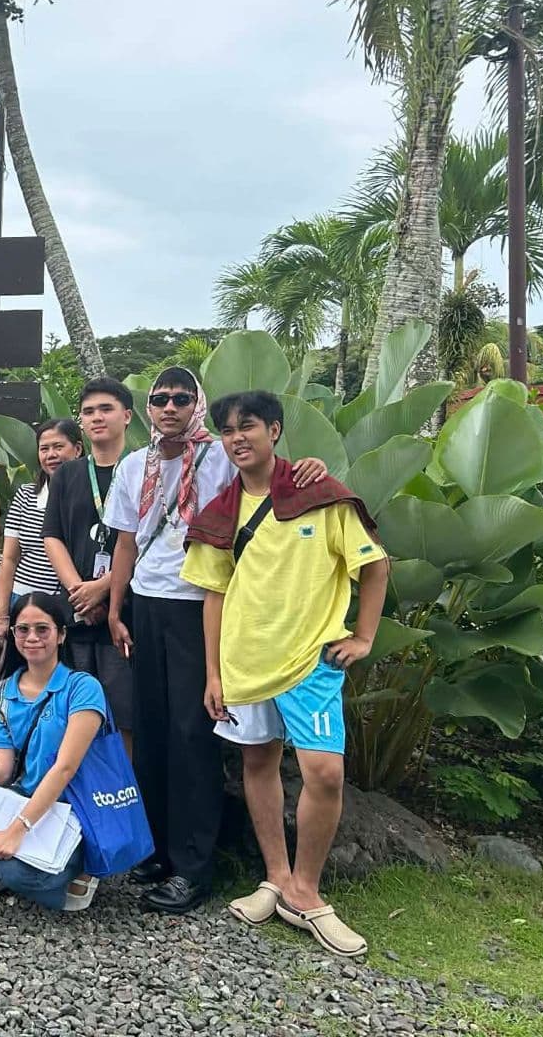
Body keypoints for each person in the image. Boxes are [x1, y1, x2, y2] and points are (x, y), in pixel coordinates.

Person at [104, 367, 327, 914]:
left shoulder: (222, 456)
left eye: (182, 398)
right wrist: (115, 608)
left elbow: (272, 479)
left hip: (203, 605)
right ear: (149, 407)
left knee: (192, 736)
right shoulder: (136, 466)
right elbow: (126, 542)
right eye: (160, 398)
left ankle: (194, 865)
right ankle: (156, 849)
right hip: (147, 605)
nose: (170, 407)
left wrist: (311, 469)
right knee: (153, 732)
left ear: (195, 404)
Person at [183, 391, 387, 959]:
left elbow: (374, 565)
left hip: (312, 661)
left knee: (323, 773)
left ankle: (308, 890)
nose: (237, 438)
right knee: (258, 762)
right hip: (245, 662)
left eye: (248, 426)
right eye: (226, 431)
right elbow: (212, 597)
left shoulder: (320, 496)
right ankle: (276, 877)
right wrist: (214, 673)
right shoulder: (220, 512)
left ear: (274, 430)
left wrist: (364, 637)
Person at [0, 592, 110, 912]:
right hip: (28, 799)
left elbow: (65, 768)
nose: (32, 638)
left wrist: (17, 830)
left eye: (42, 629)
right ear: (13, 633)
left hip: (76, 808)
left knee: (17, 872)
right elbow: (2, 771)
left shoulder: (83, 687)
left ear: (61, 635)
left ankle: (82, 868)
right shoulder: (4, 692)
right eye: (23, 629)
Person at [43, 379, 136, 752]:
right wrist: (79, 591)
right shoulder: (68, 474)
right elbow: (54, 536)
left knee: (124, 716)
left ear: (127, 416)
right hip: (77, 615)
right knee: (76, 716)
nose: (97, 417)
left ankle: (123, 800)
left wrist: (106, 587)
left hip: (125, 615)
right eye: (88, 411)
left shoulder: (142, 468)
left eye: (106, 409)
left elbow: (146, 541)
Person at [0, 419, 83, 646]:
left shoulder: (90, 497)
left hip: (70, 605)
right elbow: (10, 558)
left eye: (58, 446)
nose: (51, 455)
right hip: (24, 602)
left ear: (78, 449)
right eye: (44, 449)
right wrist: (2, 614)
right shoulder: (25, 495)